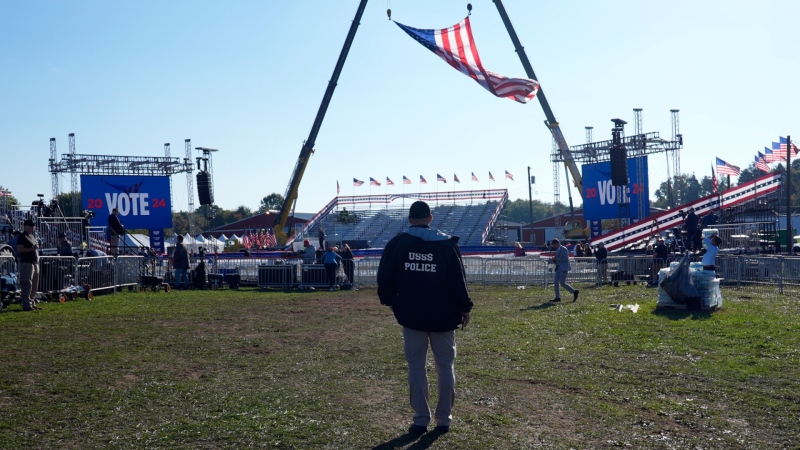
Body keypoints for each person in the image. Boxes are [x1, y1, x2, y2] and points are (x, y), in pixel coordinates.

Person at [377, 200, 473, 434]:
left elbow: (384, 277)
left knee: (416, 368)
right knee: (446, 367)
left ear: (410, 219)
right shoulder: (446, 244)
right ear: (430, 218)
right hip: (444, 315)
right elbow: (458, 280)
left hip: (412, 315)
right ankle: (444, 419)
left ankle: (421, 419)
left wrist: (391, 301)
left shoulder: (398, 243)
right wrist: (465, 307)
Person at [17, 219, 41, 311]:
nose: (32, 227)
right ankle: (26, 305)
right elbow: (20, 249)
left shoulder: (31, 236)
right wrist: (32, 248)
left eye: (33, 226)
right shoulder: (22, 236)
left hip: (34, 262)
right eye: (31, 226)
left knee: (35, 284)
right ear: (25, 226)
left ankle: (32, 302)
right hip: (27, 262)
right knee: (27, 283)